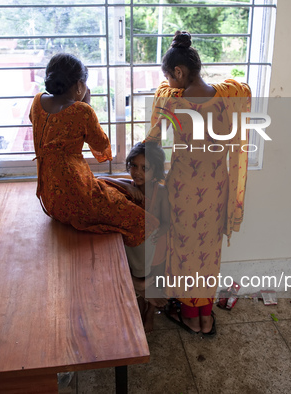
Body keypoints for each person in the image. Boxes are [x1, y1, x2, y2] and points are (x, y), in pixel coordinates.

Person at [147, 31, 251, 336]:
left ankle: (192, 319)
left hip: (184, 192)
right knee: (209, 253)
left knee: (185, 253)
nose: (167, 82)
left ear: (178, 72)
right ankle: (206, 317)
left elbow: (152, 139)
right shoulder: (228, 96)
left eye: (169, 75)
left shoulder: (173, 101)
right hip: (217, 190)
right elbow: (240, 87)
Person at [31, 53, 158, 247]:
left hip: (48, 198)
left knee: (115, 189)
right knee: (144, 220)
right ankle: (138, 272)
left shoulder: (37, 101)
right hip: (76, 197)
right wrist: (86, 105)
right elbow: (102, 147)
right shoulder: (82, 111)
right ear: (79, 86)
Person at [99, 142, 169, 332]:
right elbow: (100, 180)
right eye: (134, 166)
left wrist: (157, 233)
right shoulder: (130, 187)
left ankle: (150, 311)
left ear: (155, 171)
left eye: (144, 168)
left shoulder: (160, 192)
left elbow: (167, 222)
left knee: (154, 277)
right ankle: (138, 305)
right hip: (136, 248)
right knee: (135, 270)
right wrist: (128, 188)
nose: (137, 172)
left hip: (155, 244)